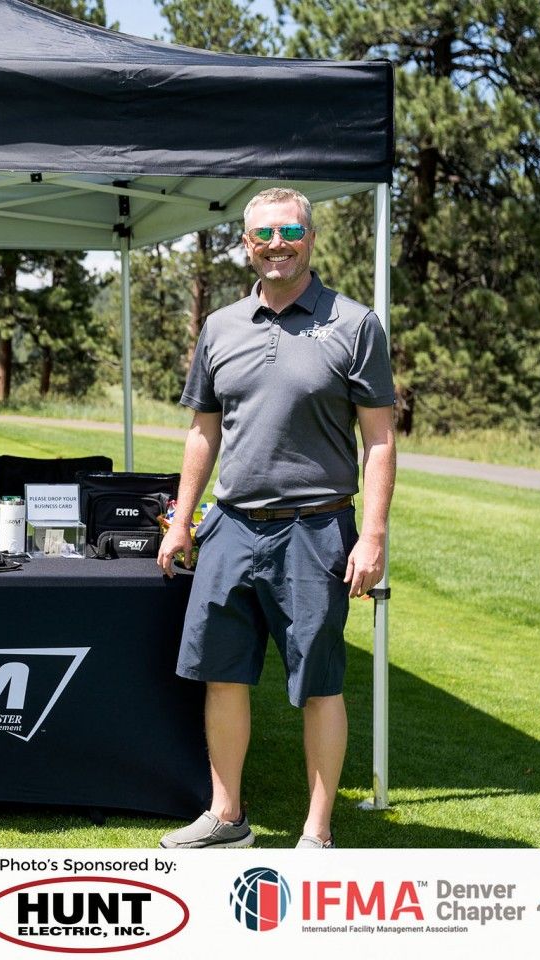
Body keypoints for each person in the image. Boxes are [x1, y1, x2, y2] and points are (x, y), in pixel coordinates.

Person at [156, 187, 396, 849]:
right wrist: (182, 520)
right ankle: (227, 817)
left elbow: (380, 440)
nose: (277, 243)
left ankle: (316, 834)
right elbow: (204, 432)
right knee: (223, 674)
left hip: (316, 529)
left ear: (310, 238)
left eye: (290, 230)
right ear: (247, 243)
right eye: (263, 233)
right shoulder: (221, 327)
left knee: (318, 680)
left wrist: (372, 536)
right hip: (230, 526)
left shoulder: (354, 325)